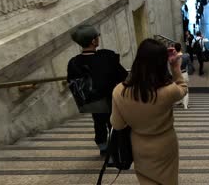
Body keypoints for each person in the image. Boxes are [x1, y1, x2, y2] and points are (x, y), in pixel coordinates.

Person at [111, 39, 187, 184]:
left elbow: (118, 125)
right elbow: (183, 88)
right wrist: (175, 67)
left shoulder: (119, 91)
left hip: (139, 144)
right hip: (165, 143)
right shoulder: (168, 90)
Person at [67, 25, 128, 156]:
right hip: (110, 98)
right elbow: (123, 76)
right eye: (97, 37)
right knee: (113, 123)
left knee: (98, 121)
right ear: (94, 41)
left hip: (91, 101)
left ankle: (103, 146)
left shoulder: (73, 62)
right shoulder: (107, 56)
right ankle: (114, 152)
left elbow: (72, 82)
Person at [174, 43, 190, 109]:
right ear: (181, 48)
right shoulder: (186, 56)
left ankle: (179, 101)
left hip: (176, 74)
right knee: (185, 89)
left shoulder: (173, 58)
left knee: (177, 88)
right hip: (184, 73)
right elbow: (188, 65)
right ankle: (185, 105)